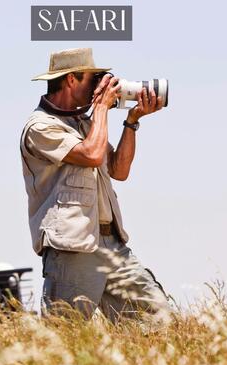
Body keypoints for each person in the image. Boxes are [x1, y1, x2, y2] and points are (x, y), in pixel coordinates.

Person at [20, 47, 171, 328]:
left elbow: (119, 170)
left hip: (111, 242)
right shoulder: (40, 127)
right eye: (94, 78)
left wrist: (132, 120)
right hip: (73, 245)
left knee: (157, 318)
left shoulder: (86, 123)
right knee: (66, 333)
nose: (99, 86)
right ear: (71, 80)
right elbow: (90, 154)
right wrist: (101, 107)